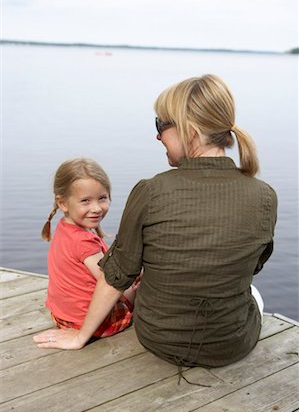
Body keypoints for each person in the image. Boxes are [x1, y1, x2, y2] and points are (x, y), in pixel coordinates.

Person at [34, 75, 277, 374]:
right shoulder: (265, 195)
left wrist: (80, 336)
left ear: (190, 130)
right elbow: (251, 268)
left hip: (161, 339)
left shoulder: (151, 190)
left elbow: (116, 276)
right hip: (232, 344)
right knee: (252, 293)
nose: (158, 137)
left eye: (161, 126)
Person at [34, 158, 138, 345]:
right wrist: (133, 292)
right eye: (85, 201)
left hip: (63, 317)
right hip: (93, 323)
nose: (96, 208)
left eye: (102, 198)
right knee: (144, 278)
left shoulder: (65, 228)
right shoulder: (83, 241)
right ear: (63, 203)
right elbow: (111, 281)